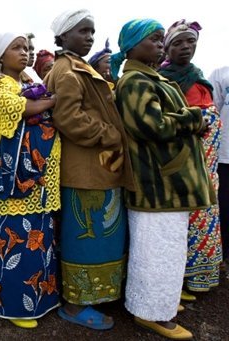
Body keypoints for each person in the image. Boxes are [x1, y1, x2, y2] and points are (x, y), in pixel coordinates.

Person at [111, 18, 215, 340]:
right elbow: (150, 125)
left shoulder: (149, 77)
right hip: (157, 184)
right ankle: (153, 314)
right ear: (132, 46)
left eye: (160, 40)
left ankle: (161, 304)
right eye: (154, 40)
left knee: (168, 250)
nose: (160, 45)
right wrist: (194, 119)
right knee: (156, 251)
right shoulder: (134, 82)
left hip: (168, 184)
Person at [45, 9, 133, 331]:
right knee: (86, 237)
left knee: (99, 236)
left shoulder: (77, 68)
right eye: (83, 31)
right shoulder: (68, 71)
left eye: (92, 32)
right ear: (64, 36)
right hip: (85, 171)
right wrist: (109, 134)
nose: (90, 38)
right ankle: (75, 304)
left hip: (97, 169)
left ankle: (93, 295)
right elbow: (67, 118)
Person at [0, 32, 59, 329]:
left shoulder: (26, 83)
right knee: (15, 242)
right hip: (16, 176)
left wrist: (44, 100)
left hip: (39, 176)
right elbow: (21, 109)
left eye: (28, 48)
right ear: (1, 55)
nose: (25, 53)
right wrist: (50, 101)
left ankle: (41, 299)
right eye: (17, 48)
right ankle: (14, 306)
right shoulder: (0, 83)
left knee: (40, 239)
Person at [159, 19, 222, 297]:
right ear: (166, 48)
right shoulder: (161, 80)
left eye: (190, 42)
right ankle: (176, 278)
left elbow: (210, 118)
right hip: (178, 162)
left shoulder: (199, 78)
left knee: (205, 212)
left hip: (206, 164)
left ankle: (201, 275)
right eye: (178, 43)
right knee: (179, 219)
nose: (186, 47)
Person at [209, 66, 229, 275]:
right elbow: (211, 112)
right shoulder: (221, 74)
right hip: (225, 156)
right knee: (224, 207)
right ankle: (222, 257)